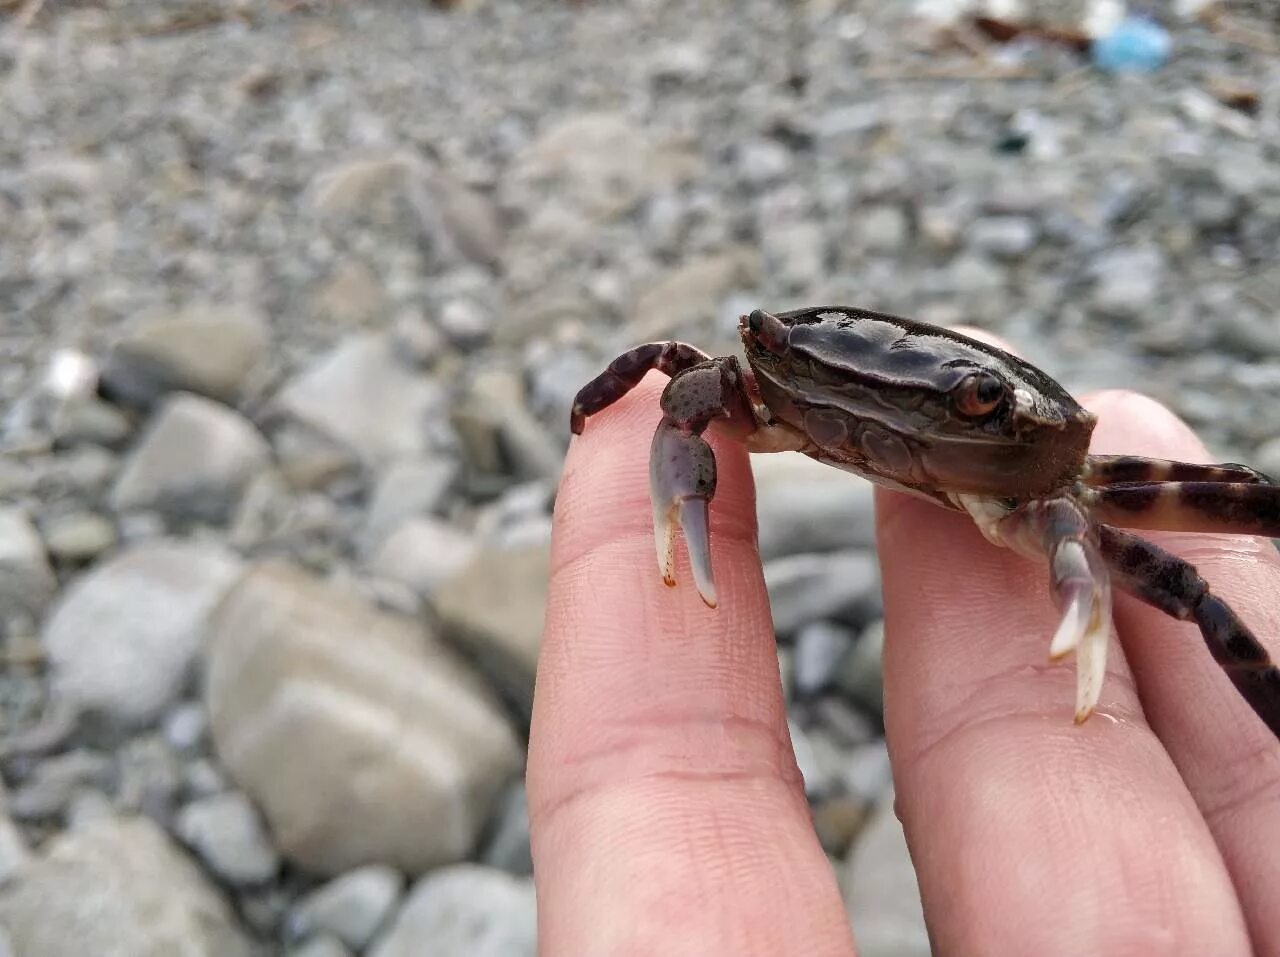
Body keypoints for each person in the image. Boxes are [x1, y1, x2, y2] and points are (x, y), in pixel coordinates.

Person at [527, 336, 1280, 956]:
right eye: (815, 366)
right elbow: (675, 380)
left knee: (1204, 588)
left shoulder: (1054, 471)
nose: (868, 423)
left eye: (972, 404)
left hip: (1023, 487)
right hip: (824, 410)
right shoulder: (752, 388)